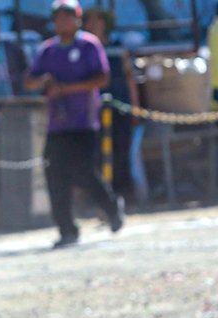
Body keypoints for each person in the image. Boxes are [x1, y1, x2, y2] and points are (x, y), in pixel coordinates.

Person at [25, 0, 124, 248]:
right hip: (57, 125)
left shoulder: (89, 45)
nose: (63, 21)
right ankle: (67, 229)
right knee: (55, 175)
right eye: (59, 17)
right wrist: (44, 82)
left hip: (84, 121)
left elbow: (102, 78)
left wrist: (68, 88)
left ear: (77, 19)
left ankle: (111, 207)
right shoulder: (48, 49)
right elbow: (29, 80)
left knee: (84, 172)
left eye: (68, 16)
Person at [82, 6, 140, 202]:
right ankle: (102, 200)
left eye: (98, 20)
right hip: (94, 111)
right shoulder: (84, 49)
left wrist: (135, 107)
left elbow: (129, 78)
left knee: (121, 152)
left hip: (120, 108)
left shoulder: (117, 47)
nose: (93, 25)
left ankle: (125, 195)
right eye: (89, 21)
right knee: (96, 155)